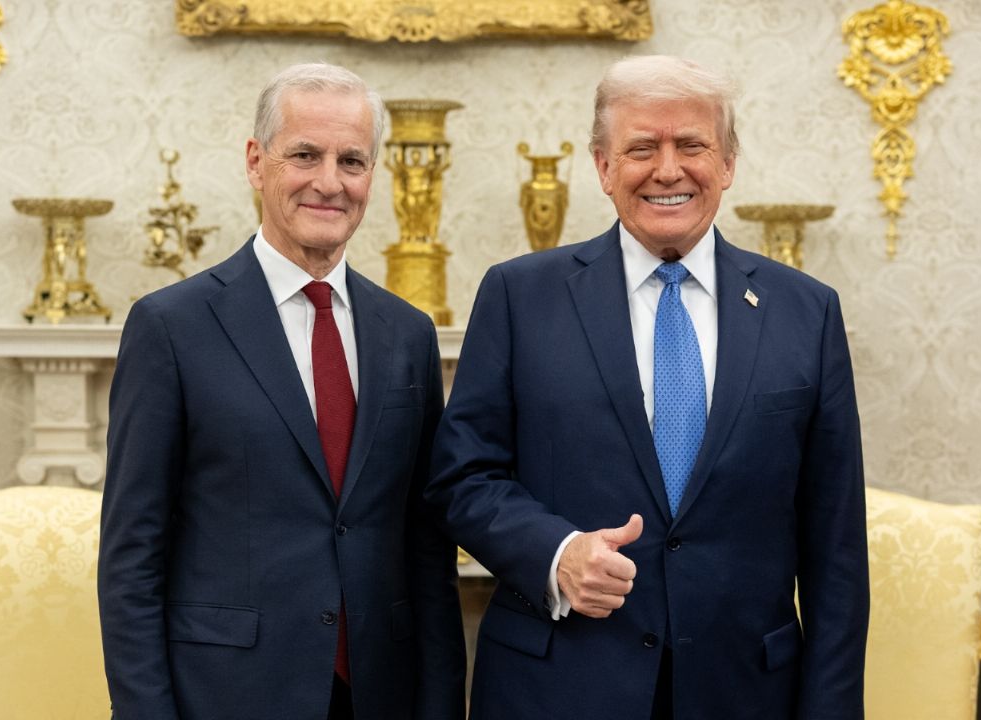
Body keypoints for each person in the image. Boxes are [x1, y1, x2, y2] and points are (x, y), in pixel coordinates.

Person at [426, 55, 869, 719]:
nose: (667, 170)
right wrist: (556, 553)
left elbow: (837, 550)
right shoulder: (520, 297)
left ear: (728, 162)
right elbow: (462, 479)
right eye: (641, 149)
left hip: (745, 693)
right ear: (603, 167)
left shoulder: (807, 311)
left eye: (691, 145)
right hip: (556, 689)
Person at [99, 63, 466, 720]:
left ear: (372, 175)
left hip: (381, 693)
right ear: (255, 161)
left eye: (351, 161)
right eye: (304, 155)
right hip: (227, 695)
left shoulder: (408, 333)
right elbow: (132, 557)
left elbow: (426, 546)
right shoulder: (171, 327)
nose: (330, 182)